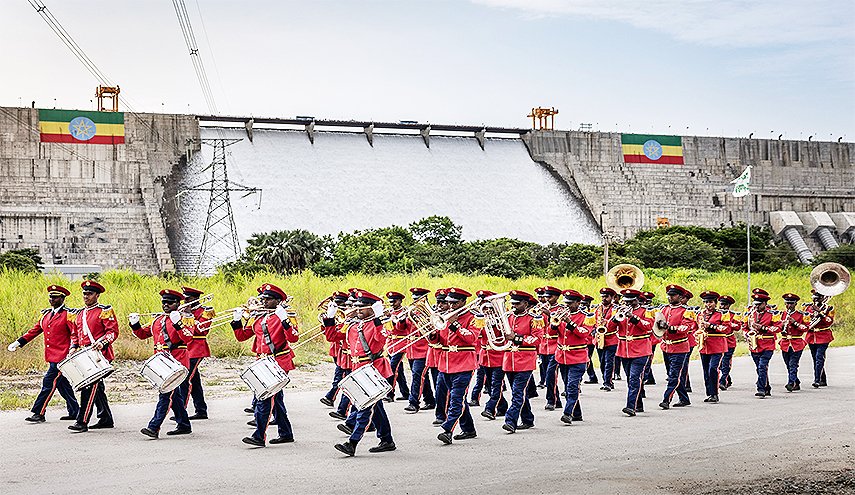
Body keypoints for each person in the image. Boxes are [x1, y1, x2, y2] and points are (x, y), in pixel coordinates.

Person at [323, 290, 397, 456]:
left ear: (372, 308)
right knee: (376, 408)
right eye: (356, 306)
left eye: (362, 307)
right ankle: (387, 440)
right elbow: (332, 336)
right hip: (358, 368)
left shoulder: (379, 324)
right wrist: (330, 317)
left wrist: (379, 318)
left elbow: (381, 339)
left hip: (374, 369)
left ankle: (352, 443)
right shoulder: (353, 325)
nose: (357, 310)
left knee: (364, 407)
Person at [231, 283, 299, 446]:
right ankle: (286, 433)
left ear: (278, 301)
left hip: (278, 361)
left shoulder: (285, 316)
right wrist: (236, 321)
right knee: (277, 400)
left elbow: (294, 337)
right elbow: (242, 336)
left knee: (264, 398)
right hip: (262, 362)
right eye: (263, 299)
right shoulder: (260, 317)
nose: (264, 302)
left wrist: (284, 320)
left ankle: (259, 436)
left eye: (268, 299)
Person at [7, 284, 79, 423]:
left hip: (63, 357)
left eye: (55, 297)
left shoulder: (68, 315)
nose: (52, 299)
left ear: (62, 298)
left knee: (48, 382)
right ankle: (75, 411)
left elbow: (74, 334)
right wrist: (18, 342)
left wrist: (73, 347)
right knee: (62, 384)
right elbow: (35, 331)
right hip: (51, 356)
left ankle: (39, 413)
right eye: (50, 297)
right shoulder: (46, 315)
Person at [130, 289, 194, 438]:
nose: (166, 305)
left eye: (170, 302)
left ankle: (154, 427)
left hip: (177, 362)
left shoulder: (185, 318)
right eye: (164, 302)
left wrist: (178, 323)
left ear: (178, 303)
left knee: (165, 394)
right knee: (174, 395)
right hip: (161, 362)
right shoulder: (157, 320)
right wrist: (135, 324)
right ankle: (184, 424)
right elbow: (143, 335)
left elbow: (188, 338)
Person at [429, 288, 482, 444]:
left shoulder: (473, 317)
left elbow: (471, 338)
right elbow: (438, 341)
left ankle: (448, 430)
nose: (451, 306)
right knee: (458, 398)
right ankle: (469, 429)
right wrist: (432, 334)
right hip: (445, 363)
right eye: (449, 303)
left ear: (463, 302)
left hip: (464, 364)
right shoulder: (444, 317)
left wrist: (454, 324)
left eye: (455, 303)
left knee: (456, 399)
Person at [67, 280, 118, 432]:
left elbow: (112, 332)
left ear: (97, 295)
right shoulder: (79, 314)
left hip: (99, 354)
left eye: (89, 294)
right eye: (84, 294)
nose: (86, 296)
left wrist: (102, 343)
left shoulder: (104, 311)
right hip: (85, 355)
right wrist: (73, 347)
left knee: (89, 387)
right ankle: (106, 419)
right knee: (97, 388)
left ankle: (82, 421)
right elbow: (75, 335)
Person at [501, 291, 544, 433]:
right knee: (519, 392)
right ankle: (527, 419)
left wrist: (516, 338)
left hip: (525, 361)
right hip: (509, 360)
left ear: (525, 304)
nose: (514, 306)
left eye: (517, 304)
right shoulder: (507, 317)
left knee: (517, 392)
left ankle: (510, 421)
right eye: (512, 304)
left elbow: (537, 339)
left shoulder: (534, 319)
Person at [552, 290, 594, 425]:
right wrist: (553, 324)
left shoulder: (587, 316)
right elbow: (551, 333)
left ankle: (568, 413)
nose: (567, 306)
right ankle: (577, 413)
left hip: (578, 357)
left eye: (570, 303)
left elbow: (583, 333)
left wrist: (569, 322)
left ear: (578, 303)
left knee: (572, 386)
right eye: (566, 303)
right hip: (562, 356)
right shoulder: (560, 315)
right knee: (567, 385)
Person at [609, 289, 653, 417]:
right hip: (624, 350)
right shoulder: (619, 311)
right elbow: (609, 328)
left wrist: (632, 317)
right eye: (626, 301)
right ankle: (638, 404)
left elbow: (648, 326)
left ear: (637, 300)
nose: (628, 303)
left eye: (631, 301)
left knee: (634, 378)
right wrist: (615, 319)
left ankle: (630, 406)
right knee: (630, 379)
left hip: (641, 350)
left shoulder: (646, 311)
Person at [657, 285, 695, 410]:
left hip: (679, 347)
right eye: (669, 295)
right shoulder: (664, 309)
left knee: (673, 376)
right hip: (666, 346)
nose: (670, 297)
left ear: (680, 297)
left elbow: (685, 328)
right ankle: (684, 398)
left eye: (673, 295)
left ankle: (666, 400)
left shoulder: (686, 311)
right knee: (674, 374)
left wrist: (669, 327)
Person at [182, 286, 214, 420]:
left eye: (188, 299)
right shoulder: (181, 311)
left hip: (197, 348)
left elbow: (202, 330)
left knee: (185, 379)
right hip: (185, 348)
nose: (185, 302)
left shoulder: (206, 311)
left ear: (195, 299)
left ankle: (181, 410)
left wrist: (188, 316)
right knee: (194, 381)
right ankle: (201, 410)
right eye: (184, 299)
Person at [478, 290, 509, 420]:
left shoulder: (503, 317)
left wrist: (496, 323)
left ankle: (489, 408)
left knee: (496, 385)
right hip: (486, 356)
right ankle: (502, 406)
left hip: (499, 356)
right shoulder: (480, 317)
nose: (485, 309)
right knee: (491, 385)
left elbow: (506, 334)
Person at [403, 287, 436, 413]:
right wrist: (401, 320)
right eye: (414, 300)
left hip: (423, 349)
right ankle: (430, 400)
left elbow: (433, 331)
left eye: (418, 300)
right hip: (411, 349)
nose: (415, 302)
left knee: (417, 375)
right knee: (422, 376)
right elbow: (401, 329)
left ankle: (413, 402)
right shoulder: (411, 313)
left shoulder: (431, 313)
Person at [744, 289, 781, 398]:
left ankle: (761, 389)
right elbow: (744, 327)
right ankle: (767, 387)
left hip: (767, 344)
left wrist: (763, 328)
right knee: (759, 368)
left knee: (762, 366)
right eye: (755, 304)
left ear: (764, 304)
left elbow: (778, 328)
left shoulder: (773, 314)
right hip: (754, 344)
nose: (756, 307)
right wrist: (747, 334)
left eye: (759, 305)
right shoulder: (750, 314)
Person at [320, 291, 351, 414]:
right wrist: (328, 320)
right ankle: (333, 400)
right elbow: (330, 335)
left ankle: (341, 408)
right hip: (342, 354)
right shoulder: (345, 320)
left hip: (352, 356)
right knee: (341, 378)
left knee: (347, 382)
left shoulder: (350, 321)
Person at [696, 291, 726, 403]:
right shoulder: (700, 314)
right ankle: (709, 393)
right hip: (704, 345)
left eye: (710, 302)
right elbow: (695, 327)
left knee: (713, 368)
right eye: (706, 302)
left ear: (715, 303)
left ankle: (714, 393)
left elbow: (726, 328)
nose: (708, 304)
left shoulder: (722, 314)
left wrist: (711, 326)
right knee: (705, 371)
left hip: (717, 345)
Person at [538, 286, 564, 411]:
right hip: (543, 346)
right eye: (546, 297)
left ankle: (551, 400)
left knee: (550, 375)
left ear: (557, 297)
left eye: (550, 297)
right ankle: (557, 400)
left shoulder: (561, 310)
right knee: (548, 375)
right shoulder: (541, 309)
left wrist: (549, 314)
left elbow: (560, 326)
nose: (547, 299)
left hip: (556, 345)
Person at [804, 289, 835, 388]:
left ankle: (817, 380)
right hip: (811, 336)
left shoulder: (829, 308)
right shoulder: (808, 308)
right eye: (815, 298)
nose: (816, 300)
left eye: (818, 298)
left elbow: (829, 321)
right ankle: (822, 379)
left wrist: (820, 312)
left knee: (819, 358)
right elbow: (806, 321)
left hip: (823, 336)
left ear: (823, 298)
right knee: (815, 358)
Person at [779, 293, 808, 392]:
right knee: (788, 364)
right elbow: (777, 326)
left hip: (797, 343)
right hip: (785, 343)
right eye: (787, 303)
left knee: (793, 364)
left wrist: (794, 322)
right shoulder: (781, 314)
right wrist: (782, 325)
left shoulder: (801, 315)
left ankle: (791, 383)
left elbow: (805, 328)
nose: (789, 305)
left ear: (795, 304)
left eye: (791, 303)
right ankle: (796, 381)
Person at [384, 291, 410, 402]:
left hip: (400, 343)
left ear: (400, 301)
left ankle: (390, 394)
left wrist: (394, 318)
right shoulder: (390, 312)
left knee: (392, 368)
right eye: (390, 302)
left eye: (394, 302)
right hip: (391, 343)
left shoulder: (404, 312)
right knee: (399, 370)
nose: (392, 304)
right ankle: (405, 392)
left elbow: (402, 328)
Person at [429, 289, 450, 427]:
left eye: (444, 303)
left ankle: (446, 414)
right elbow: (434, 339)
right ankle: (441, 414)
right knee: (439, 387)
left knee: (446, 388)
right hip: (435, 356)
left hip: (449, 357)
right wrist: (431, 333)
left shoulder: (453, 317)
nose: (440, 305)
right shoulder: (436, 317)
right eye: (438, 302)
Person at [594, 288, 618, 391]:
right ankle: (606, 380)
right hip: (599, 339)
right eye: (602, 296)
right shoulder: (598, 308)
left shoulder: (615, 309)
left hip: (611, 338)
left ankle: (607, 382)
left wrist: (607, 322)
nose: (604, 298)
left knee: (609, 361)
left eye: (606, 297)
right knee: (602, 362)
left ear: (612, 297)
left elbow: (617, 323)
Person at [717, 295, 739, 390]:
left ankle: (722, 381)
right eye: (721, 304)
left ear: (729, 306)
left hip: (729, 341)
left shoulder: (733, 315)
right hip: (718, 341)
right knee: (720, 363)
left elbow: (738, 327)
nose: (722, 306)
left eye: (725, 305)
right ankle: (727, 379)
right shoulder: (716, 314)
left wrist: (730, 324)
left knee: (726, 361)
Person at [580, 294, 599, 384]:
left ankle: (591, 376)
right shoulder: (580, 312)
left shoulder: (593, 312)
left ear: (589, 303)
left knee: (587, 358)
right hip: (581, 339)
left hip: (590, 340)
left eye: (585, 303)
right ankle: (592, 376)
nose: (583, 305)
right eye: (582, 303)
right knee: (586, 359)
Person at [641, 291, 659, 385]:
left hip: (651, 338)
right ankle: (649, 377)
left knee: (648, 359)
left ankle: (646, 377)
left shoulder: (653, 310)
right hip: (644, 338)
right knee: (645, 359)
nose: (646, 303)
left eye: (648, 301)